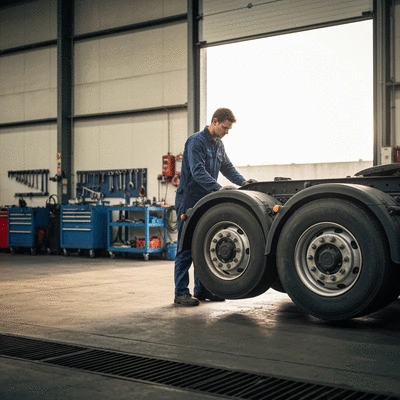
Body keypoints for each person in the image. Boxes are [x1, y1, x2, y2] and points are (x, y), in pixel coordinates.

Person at [173, 108, 257, 306]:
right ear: (215, 122)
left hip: (205, 200)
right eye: (225, 128)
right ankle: (180, 293)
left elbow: (227, 168)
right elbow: (197, 171)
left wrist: (244, 184)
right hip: (189, 200)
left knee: (202, 245)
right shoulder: (196, 141)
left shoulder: (219, 145)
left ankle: (202, 291)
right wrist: (219, 190)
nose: (226, 132)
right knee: (185, 248)